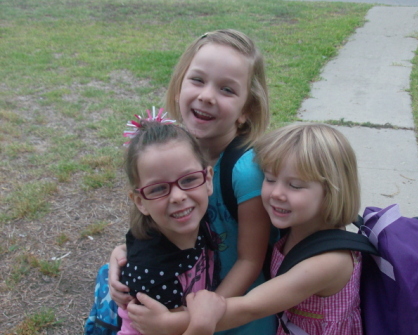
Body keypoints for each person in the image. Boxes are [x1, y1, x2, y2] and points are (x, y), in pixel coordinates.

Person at [108, 29, 278, 334]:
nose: (207, 96)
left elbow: (251, 260)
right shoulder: (169, 153)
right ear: (178, 87)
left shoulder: (244, 171)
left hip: (236, 319)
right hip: (184, 302)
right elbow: (154, 220)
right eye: (197, 80)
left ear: (246, 110)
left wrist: (203, 313)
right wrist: (120, 256)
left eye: (227, 90)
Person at [138, 123, 364, 335]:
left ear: (332, 192)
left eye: (294, 185)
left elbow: (250, 308)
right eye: (270, 179)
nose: (276, 193)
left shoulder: (329, 261)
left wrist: (169, 323)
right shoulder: (296, 226)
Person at [116, 117, 219, 335]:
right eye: (158, 189)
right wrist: (202, 324)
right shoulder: (151, 273)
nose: (178, 196)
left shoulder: (202, 219)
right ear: (140, 202)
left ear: (208, 179)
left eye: (189, 180)